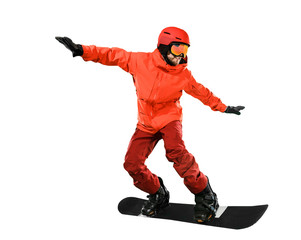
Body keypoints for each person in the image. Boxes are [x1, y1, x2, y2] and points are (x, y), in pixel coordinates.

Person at [55, 26, 245, 223]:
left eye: (185, 50)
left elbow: (202, 92)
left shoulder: (183, 75)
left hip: (170, 119)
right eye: (177, 49)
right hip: (146, 123)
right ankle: (158, 193)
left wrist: (223, 107)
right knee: (132, 164)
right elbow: (111, 55)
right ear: (164, 47)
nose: (181, 55)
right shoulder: (139, 61)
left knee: (175, 152)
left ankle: (205, 195)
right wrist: (82, 50)